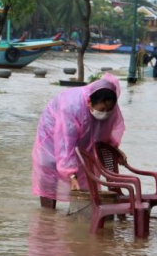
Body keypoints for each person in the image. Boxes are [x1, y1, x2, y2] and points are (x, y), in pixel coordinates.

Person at [32, 73, 125, 208]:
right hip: (52, 132)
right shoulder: (71, 106)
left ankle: (82, 212)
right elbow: (66, 143)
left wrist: (114, 149)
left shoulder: (111, 111)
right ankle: (48, 215)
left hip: (84, 129)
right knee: (50, 166)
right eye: (102, 109)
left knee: (87, 167)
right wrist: (70, 175)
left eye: (109, 109)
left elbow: (103, 137)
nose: (106, 112)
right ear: (89, 102)